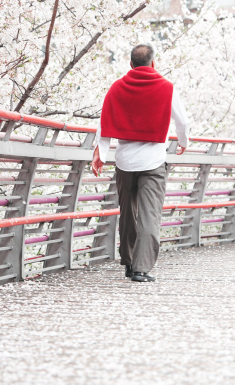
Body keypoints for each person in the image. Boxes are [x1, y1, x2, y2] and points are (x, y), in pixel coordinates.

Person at [91, 44, 190, 282]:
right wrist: (183, 142)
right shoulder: (167, 88)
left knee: (128, 215)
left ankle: (127, 262)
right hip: (153, 162)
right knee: (149, 215)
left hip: (125, 162)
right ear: (153, 63)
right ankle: (140, 268)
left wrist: (100, 154)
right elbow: (183, 123)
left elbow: (104, 124)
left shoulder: (116, 88)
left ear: (131, 64)